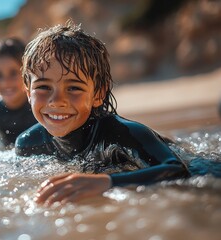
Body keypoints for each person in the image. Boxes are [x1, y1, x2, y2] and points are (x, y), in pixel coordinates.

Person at [15, 21, 190, 205]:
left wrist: (109, 182)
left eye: (74, 87)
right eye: (43, 87)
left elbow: (178, 170)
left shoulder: (121, 135)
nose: (57, 101)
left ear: (98, 94)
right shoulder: (28, 144)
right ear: (28, 92)